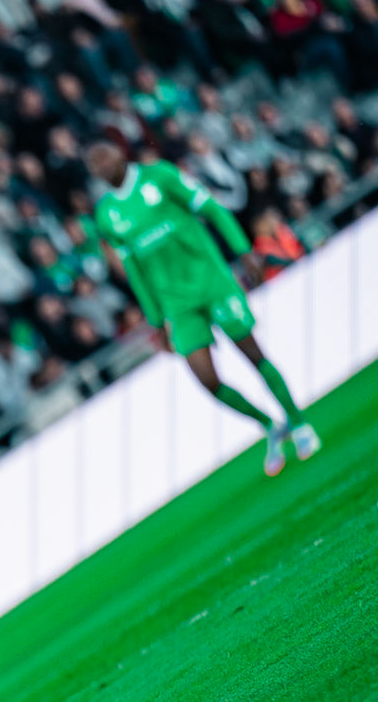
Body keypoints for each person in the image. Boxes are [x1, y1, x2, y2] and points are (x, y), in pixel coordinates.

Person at [85, 143, 320, 477]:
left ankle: (298, 423)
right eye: (94, 165)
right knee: (207, 380)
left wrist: (242, 250)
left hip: (210, 282)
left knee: (253, 354)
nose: (101, 167)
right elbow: (134, 269)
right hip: (175, 305)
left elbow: (213, 209)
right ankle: (269, 424)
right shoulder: (106, 214)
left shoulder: (160, 176)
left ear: (121, 154)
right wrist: (155, 320)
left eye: (103, 157)